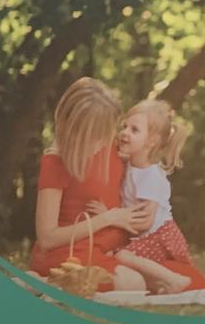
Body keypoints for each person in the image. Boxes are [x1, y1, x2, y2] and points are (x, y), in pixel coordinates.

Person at [27, 78, 149, 293]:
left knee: (149, 276)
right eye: (97, 135)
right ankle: (46, 281)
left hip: (103, 250)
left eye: (107, 132)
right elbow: (47, 238)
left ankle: (47, 284)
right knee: (132, 283)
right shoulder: (56, 162)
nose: (106, 140)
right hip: (68, 252)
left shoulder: (112, 144)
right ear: (76, 130)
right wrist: (108, 218)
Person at [113, 100, 205, 295]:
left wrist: (114, 218)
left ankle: (174, 280)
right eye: (124, 126)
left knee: (122, 256)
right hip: (149, 235)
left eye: (134, 130)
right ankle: (161, 283)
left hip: (158, 235)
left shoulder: (150, 176)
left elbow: (146, 222)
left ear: (151, 142)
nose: (124, 133)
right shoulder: (131, 165)